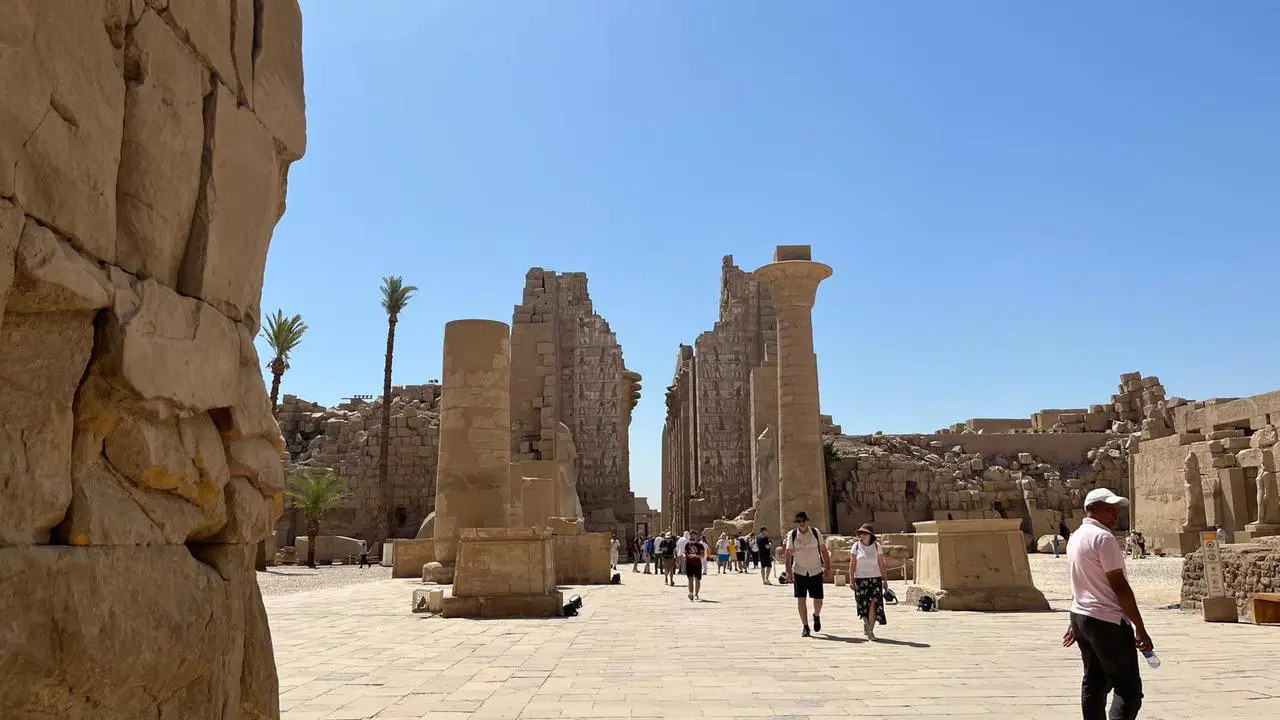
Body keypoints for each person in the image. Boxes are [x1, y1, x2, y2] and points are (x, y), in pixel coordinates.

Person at [1063, 488, 1153, 720]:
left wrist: (1076, 617)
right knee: (1128, 689)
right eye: (1109, 510)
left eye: (1116, 511)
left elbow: (1079, 578)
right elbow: (1119, 586)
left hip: (1082, 615)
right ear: (1091, 509)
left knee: (1094, 682)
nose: (1115, 515)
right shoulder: (1103, 538)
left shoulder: (1075, 536)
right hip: (1106, 620)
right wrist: (1140, 627)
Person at [784, 511, 829, 637]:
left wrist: (828, 567)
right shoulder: (792, 534)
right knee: (801, 598)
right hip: (799, 570)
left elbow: (823, 550)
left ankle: (816, 615)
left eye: (803, 521)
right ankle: (805, 626)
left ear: (806, 521)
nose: (801, 523)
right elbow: (788, 553)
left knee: (818, 598)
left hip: (815, 569)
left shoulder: (815, 532)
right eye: (799, 521)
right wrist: (788, 570)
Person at [848, 523, 888, 639]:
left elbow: (882, 563)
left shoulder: (877, 546)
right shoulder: (856, 546)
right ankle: (866, 622)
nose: (862, 535)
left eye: (865, 533)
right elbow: (852, 564)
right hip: (861, 580)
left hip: (875, 579)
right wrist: (851, 580)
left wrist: (885, 580)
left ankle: (870, 630)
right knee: (863, 605)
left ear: (870, 535)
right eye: (861, 533)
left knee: (873, 604)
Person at [685, 530, 706, 601]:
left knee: (697, 580)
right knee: (690, 580)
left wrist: (695, 555)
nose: (692, 537)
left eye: (693, 535)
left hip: (697, 564)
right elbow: (686, 553)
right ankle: (691, 593)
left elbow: (702, 555)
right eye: (691, 535)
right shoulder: (687, 545)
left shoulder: (700, 545)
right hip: (689, 564)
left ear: (696, 536)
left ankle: (696, 594)